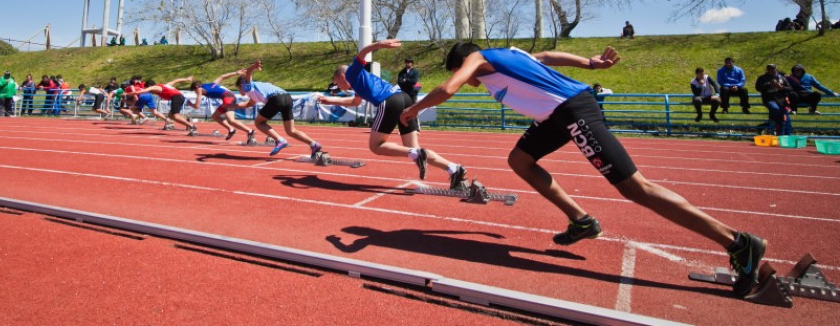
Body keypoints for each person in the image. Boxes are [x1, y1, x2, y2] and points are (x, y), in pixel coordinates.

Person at [400, 42, 767, 298]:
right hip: (555, 117)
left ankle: (737, 242)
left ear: (464, 61)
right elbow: (546, 56)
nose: (472, 82)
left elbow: (448, 88)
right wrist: (589, 63)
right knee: (520, 160)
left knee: (635, 187)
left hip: (572, 111)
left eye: (467, 73)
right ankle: (580, 220)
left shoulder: (478, 59)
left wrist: (413, 111)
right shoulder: (510, 55)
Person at [316, 39, 468, 189]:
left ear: (341, 76)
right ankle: (454, 169)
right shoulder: (359, 81)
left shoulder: (351, 72)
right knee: (413, 149)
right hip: (404, 99)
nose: (339, 87)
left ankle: (419, 154)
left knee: (376, 146)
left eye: (337, 82)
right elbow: (355, 102)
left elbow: (361, 54)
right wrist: (330, 101)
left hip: (390, 101)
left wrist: (379, 45)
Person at [235, 61, 324, 157]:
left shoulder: (247, 86)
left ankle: (279, 140)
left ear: (241, 85)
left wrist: (253, 67)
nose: (239, 92)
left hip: (276, 99)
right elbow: (249, 104)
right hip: (287, 97)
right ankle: (314, 144)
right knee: (291, 130)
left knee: (258, 122)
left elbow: (248, 73)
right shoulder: (256, 89)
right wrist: (232, 106)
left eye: (238, 89)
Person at [189, 72, 254, 140]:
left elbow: (196, 106)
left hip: (228, 97)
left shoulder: (199, 89)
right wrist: (236, 73)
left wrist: (190, 104)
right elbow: (222, 76)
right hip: (230, 96)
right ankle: (231, 129)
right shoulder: (212, 84)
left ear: (196, 87)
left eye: (194, 91)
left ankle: (250, 131)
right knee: (215, 116)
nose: (195, 93)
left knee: (231, 120)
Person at [129, 78, 196, 134]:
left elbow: (143, 91)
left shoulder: (154, 87)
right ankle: (187, 121)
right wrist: (187, 79)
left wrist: (130, 93)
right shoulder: (165, 85)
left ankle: (192, 126)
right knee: (170, 115)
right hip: (179, 97)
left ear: (149, 86)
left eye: (151, 91)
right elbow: (176, 80)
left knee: (175, 116)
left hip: (176, 97)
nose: (151, 92)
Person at [754, 64, 794, 136]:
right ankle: (769, 127)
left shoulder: (781, 78)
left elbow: (790, 88)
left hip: (781, 100)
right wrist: (770, 84)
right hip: (769, 99)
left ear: (776, 69)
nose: (772, 70)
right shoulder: (762, 78)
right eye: (770, 69)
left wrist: (781, 87)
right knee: (775, 109)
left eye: (773, 69)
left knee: (784, 119)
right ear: (767, 70)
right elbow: (758, 88)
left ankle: (780, 135)